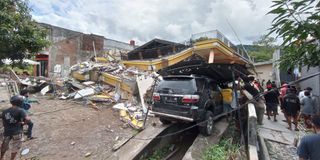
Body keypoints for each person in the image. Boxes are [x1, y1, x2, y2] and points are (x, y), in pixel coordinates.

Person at [1, 95, 30, 160]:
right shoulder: (21, 110)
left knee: (4, 146)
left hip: (7, 132)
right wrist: (23, 123)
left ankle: (1, 157)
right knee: (15, 147)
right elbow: (27, 119)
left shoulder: (5, 111)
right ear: (20, 103)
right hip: (17, 132)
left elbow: (3, 120)